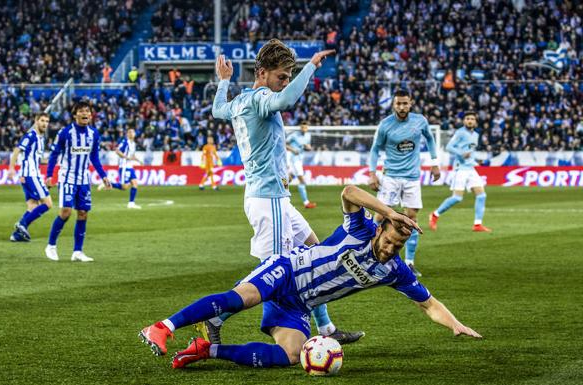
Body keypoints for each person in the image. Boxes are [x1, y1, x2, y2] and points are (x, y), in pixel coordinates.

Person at [138, 185, 482, 369]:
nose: (391, 248)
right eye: (390, 240)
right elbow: (348, 191)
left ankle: (206, 350)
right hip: (287, 270)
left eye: (398, 245)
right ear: (380, 230)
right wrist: (389, 211)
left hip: (298, 304)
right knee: (243, 297)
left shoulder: (394, 271)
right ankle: (163, 327)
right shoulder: (360, 228)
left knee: (291, 355)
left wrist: (454, 323)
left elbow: (428, 303)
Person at [210, 39, 363, 344]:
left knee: (313, 250)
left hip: (271, 196)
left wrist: (224, 82)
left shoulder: (241, 100)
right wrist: (311, 67)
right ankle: (216, 316)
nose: (285, 83)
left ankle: (327, 328)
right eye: (282, 76)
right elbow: (286, 102)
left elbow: (218, 110)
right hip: (268, 199)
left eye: (288, 78)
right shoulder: (262, 98)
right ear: (262, 72)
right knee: (272, 273)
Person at [367, 89, 441, 277]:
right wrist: (372, 173)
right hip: (391, 176)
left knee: (412, 219)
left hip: (412, 178)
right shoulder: (386, 125)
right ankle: (370, 257)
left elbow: (431, 140)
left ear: (411, 103)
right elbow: (375, 149)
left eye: (405, 103)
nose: (401, 107)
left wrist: (434, 164)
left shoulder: (420, 121)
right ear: (393, 104)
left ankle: (409, 263)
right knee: (379, 216)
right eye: (398, 103)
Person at [44, 101, 111, 262]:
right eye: (81, 111)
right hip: (67, 177)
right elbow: (54, 155)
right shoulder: (65, 133)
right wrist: (49, 175)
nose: (85, 114)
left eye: (87, 111)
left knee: (83, 213)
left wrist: (103, 175)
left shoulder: (93, 134)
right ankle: (51, 246)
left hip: (84, 179)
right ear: (75, 115)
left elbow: (94, 157)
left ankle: (77, 252)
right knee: (66, 212)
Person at [429, 111, 491, 232]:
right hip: (460, 169)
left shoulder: (476, 135)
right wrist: (461, 154)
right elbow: (449, 147)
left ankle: (477, 224)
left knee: (481, 195)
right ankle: (435, 215)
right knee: (457, 198)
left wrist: (475, 161)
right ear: (464, 121)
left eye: (472, 119)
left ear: (475, 122)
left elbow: (470, 152)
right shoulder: (460, 132)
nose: (470, 121)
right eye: (467, 118)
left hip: (470, 168)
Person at [8, 113, 53, 241]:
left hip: (29, 174)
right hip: (31, 174)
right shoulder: (31, 135)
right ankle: (22, 224)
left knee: (32, 205)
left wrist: (54, 162)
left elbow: (38, 159)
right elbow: (17, 150)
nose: (45, 123)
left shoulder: (41, 138)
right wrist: (11, 168)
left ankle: (17, 235)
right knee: (48, 204)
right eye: (42, 121)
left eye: (47, 121)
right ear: (36, 121)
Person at [99, 127, 142, 209]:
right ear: (127, 134)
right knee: (124, 187)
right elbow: (117, 151)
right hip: (124, 167)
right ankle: (108, 183)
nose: (132, 133)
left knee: (135, 183)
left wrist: (138, 160)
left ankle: (131, 203)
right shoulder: (125, 142)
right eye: (130, 132)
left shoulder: (133, 144)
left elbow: (132, 155)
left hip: (130, 166)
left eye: (133, 132)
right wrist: (126, 157)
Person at [286, 122, 316, 208]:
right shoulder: (294, 135)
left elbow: (308, 146)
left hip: (299, 158)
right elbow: (284, 143)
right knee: (302, 180)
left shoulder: (308, 135)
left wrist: (308, 148)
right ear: (300, 127)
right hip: (293, 159)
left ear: (307, 128)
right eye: (302, 127)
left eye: (305, 127)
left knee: (288, 178)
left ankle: (280, 192)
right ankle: (306, 203)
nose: (304, 129)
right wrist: (292, 150)